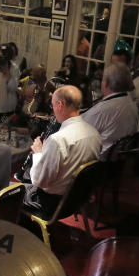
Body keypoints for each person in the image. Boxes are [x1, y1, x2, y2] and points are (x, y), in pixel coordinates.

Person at [24, 85, 101, 217]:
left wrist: (38, 153)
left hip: (50, 204)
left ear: (60, 104)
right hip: (75, 201)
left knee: (5, 192)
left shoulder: (58, 140)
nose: (52, 111)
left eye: (53, 105)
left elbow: (39, 181)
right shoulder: (95, 133)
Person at [82, 63, 139, 158]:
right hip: (118, 162)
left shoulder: (103, 109)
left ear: (106, 83)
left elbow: (79, 130)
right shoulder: (132, 104)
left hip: (95, 163)